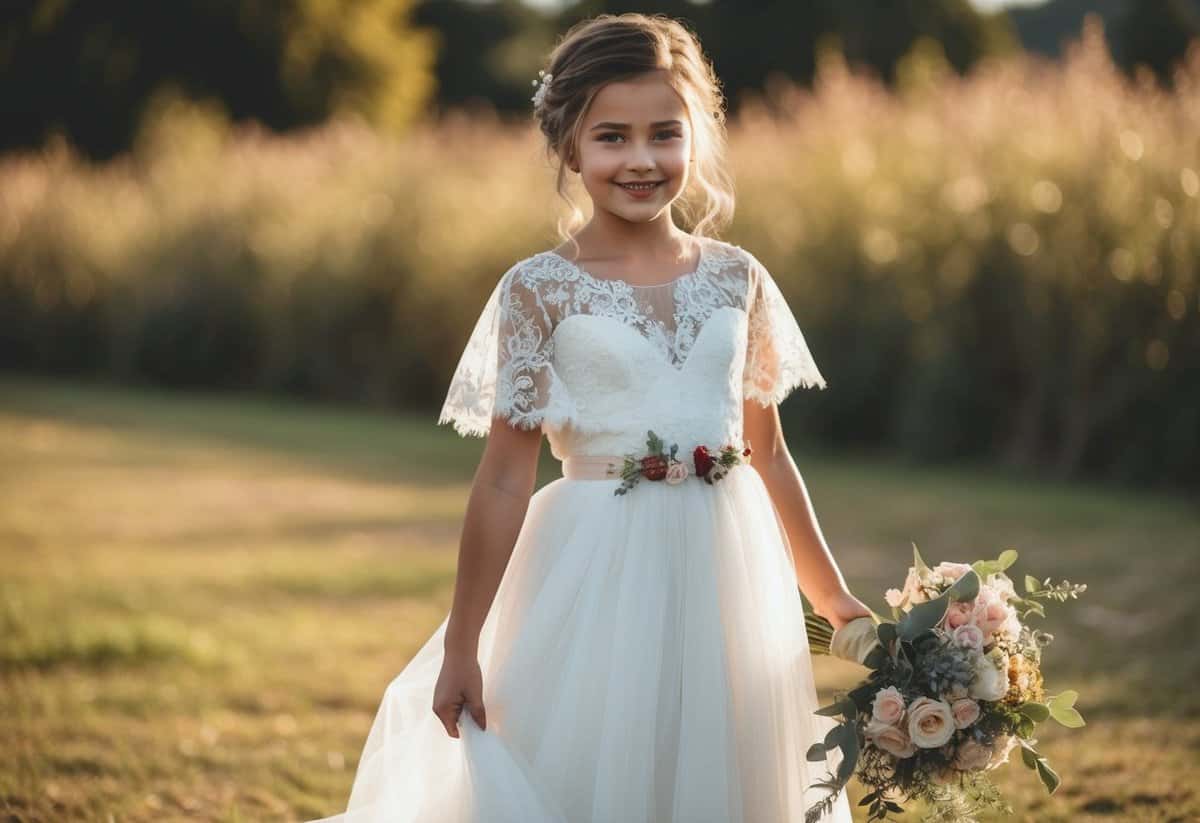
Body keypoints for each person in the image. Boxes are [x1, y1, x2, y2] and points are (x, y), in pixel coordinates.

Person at [307, 12, 871, 823]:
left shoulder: (737, 278)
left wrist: (832, 594)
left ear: (697, 139)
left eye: (664, 135)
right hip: (596, 568)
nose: (641, 160)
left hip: (726, 567)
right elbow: (505, 476)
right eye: (612, 137)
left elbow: (770, 452)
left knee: (723, 762)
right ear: (570, 147)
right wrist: (463, 641)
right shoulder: (539, 289)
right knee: (601, 759)